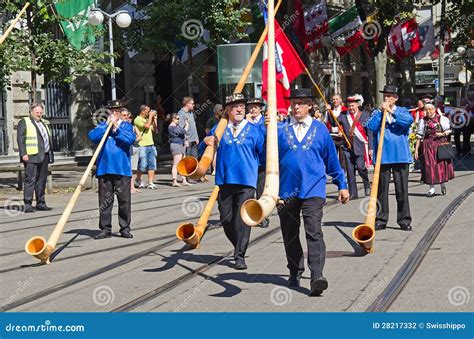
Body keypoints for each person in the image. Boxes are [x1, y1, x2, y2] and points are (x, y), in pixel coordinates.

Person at [268, 88, 349, 296]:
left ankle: (317, 276)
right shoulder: (279, 129)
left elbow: (331, 159)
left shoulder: (320, 129)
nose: (296, 106)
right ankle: (295, 271)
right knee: (290, 234)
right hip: (285, 192)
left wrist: (342, 185)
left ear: (310, 105)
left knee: (314, 231)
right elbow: (265, 156)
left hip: (313, 189)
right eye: (294, 102)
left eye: (301, 103)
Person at [204, 93, 264, 270]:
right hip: (225, 180)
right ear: (227, 111)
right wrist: (206, 140)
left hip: (247, 181)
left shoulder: (255, 130)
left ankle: (240, 255)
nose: (238, 109)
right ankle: (239, 244)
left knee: (243, 218)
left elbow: (264, 154)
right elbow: (203, 148)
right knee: (226, 219)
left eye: (241, 106)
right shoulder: (220, 129)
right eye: (234, 107)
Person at [366, 85, 414, 231]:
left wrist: (391, 111)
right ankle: (381, 219)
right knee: (381, 191)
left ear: (396, 97)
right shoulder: (377, 112)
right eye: (385, 95)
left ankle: (404, 219)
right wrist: (382, 113)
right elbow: (371, 127)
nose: (386, 98)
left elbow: (408, 121)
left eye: (389, 96)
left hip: (400, 156)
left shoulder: (402, 111)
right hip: (383, 157)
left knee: (402, 190)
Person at [88, 100, 136, 239]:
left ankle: (125, 228)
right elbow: (93, 137)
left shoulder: (126, 126)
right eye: (112, 110)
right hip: (104, 169)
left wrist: (116, 128)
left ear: (121, 112)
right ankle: (105, 229)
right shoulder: (102, 126)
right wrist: (107, 127)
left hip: (122, 169)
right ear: (108, 112)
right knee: (104, 202)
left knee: (124, 201)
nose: (115, 112)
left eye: (117, 110)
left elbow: (129, 140)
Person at [17, 103, 54, 213]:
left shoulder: (43, 123)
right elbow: (21, 139)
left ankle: (41, 203)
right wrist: (23, 154)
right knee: (30, 180)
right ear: (31, 112)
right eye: (37, 112)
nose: (39, 114)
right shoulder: (24, 122)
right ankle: (28, 204)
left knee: (41, 180)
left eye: (41, 112)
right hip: (31, 156)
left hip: (44, 155)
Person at [415, 104, 454, 197]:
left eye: (430, 109)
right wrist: (416, 150)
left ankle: (442, 184)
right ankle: (431, 189)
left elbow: (448, 130)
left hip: (439, 144)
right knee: (429, 166)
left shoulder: (441, 119)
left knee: (440, 165)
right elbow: (419, 136)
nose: (428, 111)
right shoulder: (422, 121)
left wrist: (442, 133)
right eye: (426, 109)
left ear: (434, 109)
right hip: (427, 145)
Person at [337, 95, 373, 199]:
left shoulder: (365, 115)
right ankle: (353, 192)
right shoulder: (343, 115)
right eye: (349, 106)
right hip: (347, 146)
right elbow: (334, 122)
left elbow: (369, 133)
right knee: (350, 170)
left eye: (353, 106)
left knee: (361, 167)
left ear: (357, 105)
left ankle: (366, 183)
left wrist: (371, 147)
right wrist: (329, 110)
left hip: (360, 146)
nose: (351, 108)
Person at [246, 98, 269, 228]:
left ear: (261, 108)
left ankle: (263, 217)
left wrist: (252, 125)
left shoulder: (264, 121)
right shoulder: (245, 122)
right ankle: (249, 214)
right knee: (249, 190)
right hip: (249, 161)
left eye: (255, 107)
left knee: (261, 191)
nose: (253, 109)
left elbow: (263, 135)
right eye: (251, 107)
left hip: (262, 161)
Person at [134, 105, 157, 189]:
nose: (149, 113)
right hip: (142, 145)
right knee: (142, 165)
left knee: (152, 164)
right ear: (143, 111)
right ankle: (138, 179)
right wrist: (151, 117)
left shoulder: (148, 119)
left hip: (151, 144)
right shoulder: (137, 119)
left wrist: (154, 119)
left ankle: (150, 182)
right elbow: (146, 126)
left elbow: (155, 130)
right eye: (148, 111)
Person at [168, 113, 191, 187]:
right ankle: (174, 181)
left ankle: (184, 179)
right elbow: (183, 131)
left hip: (181, 145)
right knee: (176, 164)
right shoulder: (171, 127)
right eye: (177, 119)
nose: (179, 120)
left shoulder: (176, 126)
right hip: (176, 145)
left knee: (183, 163)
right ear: (173, 119)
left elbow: (183, 133)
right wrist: (187, 124)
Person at [121, 109, 141, 194]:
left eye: (129, 117)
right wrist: (132, 139)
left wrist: (133, 139)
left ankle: (132, 187)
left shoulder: (132, 127)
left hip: (132, 148)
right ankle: (127, 187)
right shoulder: (120, 127)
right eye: (125, 116)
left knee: (132, 169)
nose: (128, 118)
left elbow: (139, 137)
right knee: (127, 169)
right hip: (125, 150)